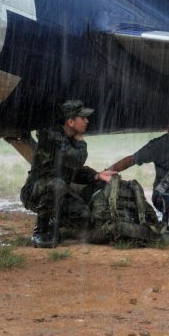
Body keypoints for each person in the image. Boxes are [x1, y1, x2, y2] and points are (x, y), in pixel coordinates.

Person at [19, 100, 116, 248]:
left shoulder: (68, 140)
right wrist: (81, 142)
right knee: (57, 184)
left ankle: (54, 221)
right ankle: (40, 231)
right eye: (83, 118)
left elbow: (74, 170)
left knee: (84, 217)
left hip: (57, 192)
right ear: (70, 122)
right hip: (35, 192)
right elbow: (77, 159)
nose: (87, 121)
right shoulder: (52, 137)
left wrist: (97, 175)